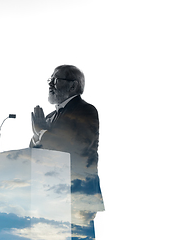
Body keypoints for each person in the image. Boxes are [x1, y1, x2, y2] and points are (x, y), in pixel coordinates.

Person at [30, 65, 104, 240]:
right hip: (50, 194)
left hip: (77, 194)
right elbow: (34, 153)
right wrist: (36, 137)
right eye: (50, 80)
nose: (50, 84)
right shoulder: (48, 117)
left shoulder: (86, 110)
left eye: (55, 80)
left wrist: (42, 133)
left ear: (73, 86)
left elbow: (77, 146)